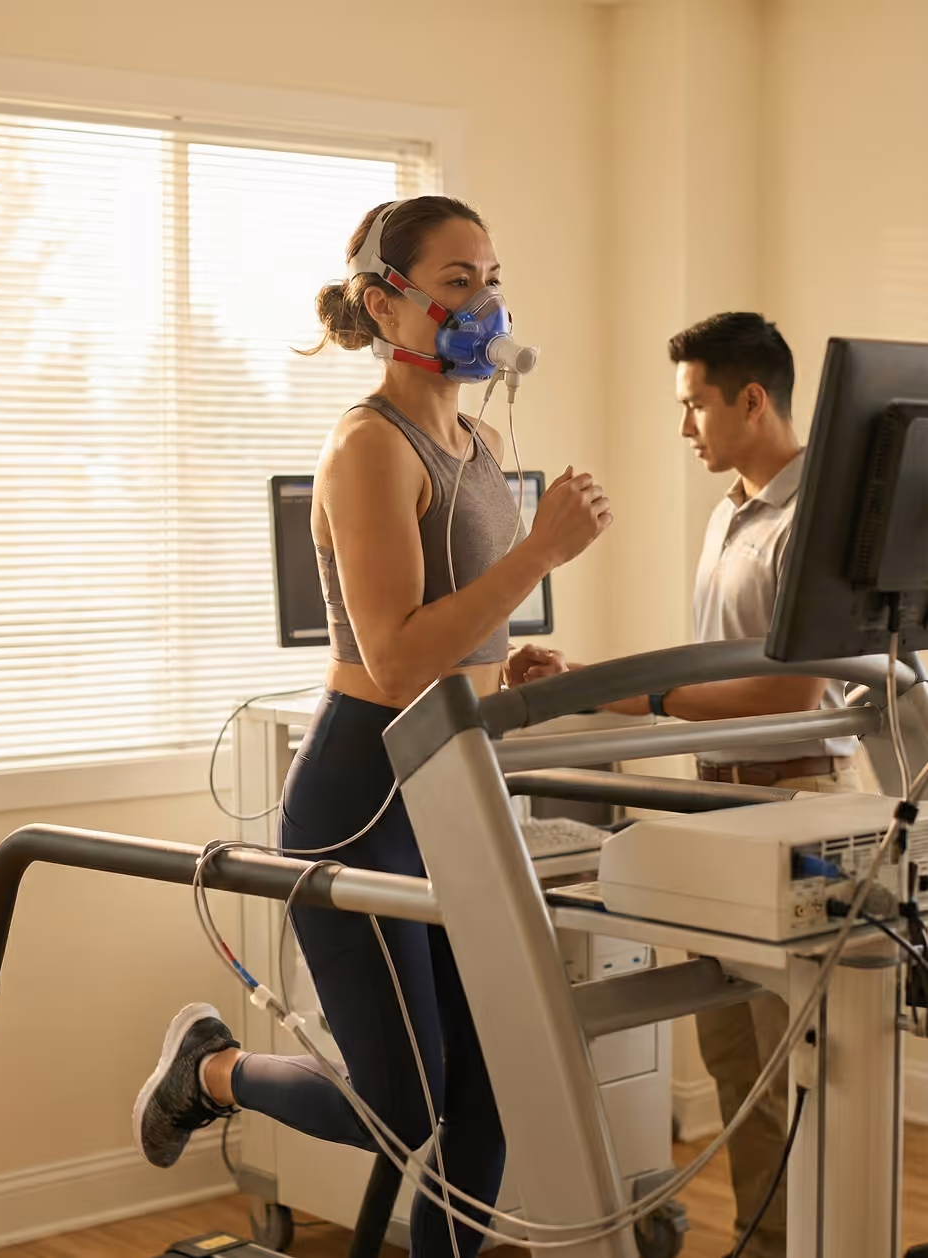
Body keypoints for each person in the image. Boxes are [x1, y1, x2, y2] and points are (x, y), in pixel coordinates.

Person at [132, 195, 612, 1257]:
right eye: (455, 281)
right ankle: (209, 1070)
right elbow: (393, 657)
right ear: (382, 302)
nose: (483, 301)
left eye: (490, 277)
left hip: (461, 784)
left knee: (487, 1101)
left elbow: (453, 636)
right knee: (406, 1109)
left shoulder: (480, 441)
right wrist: (541, 554)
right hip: (366, 792)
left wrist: (505, 664)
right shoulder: (366, 449)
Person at [509, 312, 865, 1258]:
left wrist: (647, 695)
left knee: (797, 1056)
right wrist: (595, 681)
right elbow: (716, 670)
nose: (683, 428)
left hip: (795, 797)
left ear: (751, 398)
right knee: (731, 1056)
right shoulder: (725, 516)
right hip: (713, 800)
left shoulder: (813, 520)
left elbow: (792, 688)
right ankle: (761, 1240)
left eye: (693, 404)